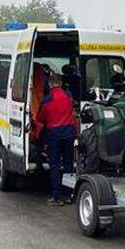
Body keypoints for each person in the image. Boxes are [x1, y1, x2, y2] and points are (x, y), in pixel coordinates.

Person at [37, 73, 77, 205]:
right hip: (69, 133)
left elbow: (40, 119)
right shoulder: (69, 96)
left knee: (54, 166)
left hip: (54, 135)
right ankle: (68, 194)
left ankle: (56, 196)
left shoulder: (47, 100)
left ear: (49, 84)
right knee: (68, 165)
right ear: (60, 83)